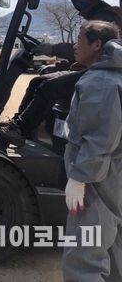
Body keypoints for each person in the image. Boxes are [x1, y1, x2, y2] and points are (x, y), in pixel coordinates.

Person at [0, 0, 122, 147]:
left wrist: (54, 49)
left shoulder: (104, 20)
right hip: (94, 70)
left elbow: (93, 54)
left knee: (49, 87)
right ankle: (18, 127)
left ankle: (20, 129)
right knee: (38, 81)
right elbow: (85, 56)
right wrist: (60, 66)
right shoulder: (97, 15)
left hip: (102, 74)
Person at [61, 20, 122, 282]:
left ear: (96, 45)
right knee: (110, 244)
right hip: (110, 174)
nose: (74, 45)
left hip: (96, 179)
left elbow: (99, 139)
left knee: (85, 253)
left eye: (79, 39)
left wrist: (79, 178)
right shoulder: (111, 76)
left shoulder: (100, 82)